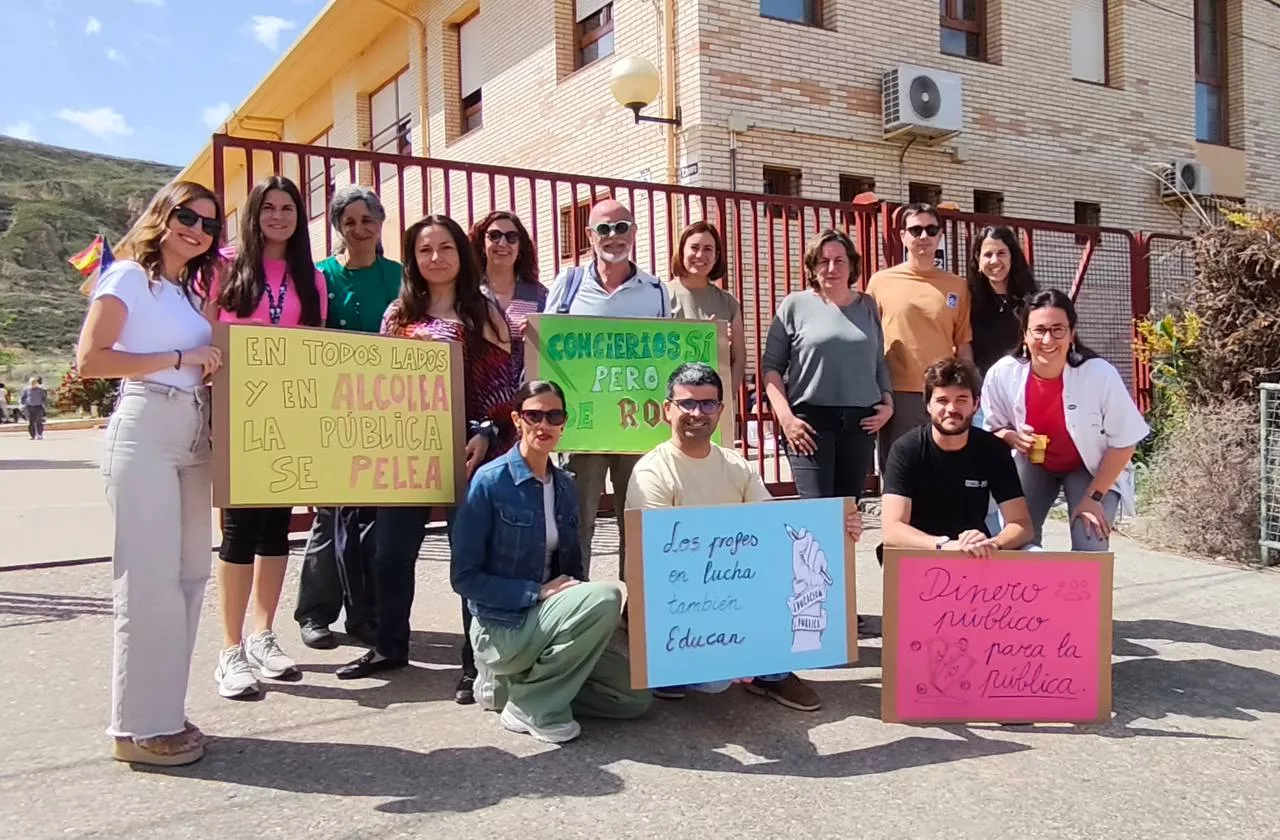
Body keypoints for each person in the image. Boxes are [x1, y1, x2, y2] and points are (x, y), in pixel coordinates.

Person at [337, 214, 518, 707]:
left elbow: (504, 385)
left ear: (462, 254)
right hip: (407, 451)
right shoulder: (397, 314)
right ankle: (389, 646)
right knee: (390, 553)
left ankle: (473, 661)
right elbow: (378, 382)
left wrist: (485, 432)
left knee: (468, 556)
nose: (435, 258)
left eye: (445, 248)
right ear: (412, 259)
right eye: (424, 250)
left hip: (468, 452)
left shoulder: (484, 312)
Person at [74, 180, 226, 766]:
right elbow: (92, 359)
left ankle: (162, 711)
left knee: (189, 576)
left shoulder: (187, 293)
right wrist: (182, 358)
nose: (197, 230)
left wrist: (205, 366)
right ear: (163, 215)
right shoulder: (128, 277)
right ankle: (136, 729)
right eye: (187, 216)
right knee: (148, 580)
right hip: (146, 424)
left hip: (193, 428)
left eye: (210, 224)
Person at [625, 363, 865, 711]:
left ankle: (770, 673)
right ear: (667, 410)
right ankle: (670, 665)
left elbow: (773, 529)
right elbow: (657, 566)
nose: (697, 413)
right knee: (716, 681)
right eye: (687, 404)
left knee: (794, 571)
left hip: (729, 590)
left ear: (720, 410)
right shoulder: (652, 472)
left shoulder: (736, 465)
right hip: (680, 602)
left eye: (708, 404)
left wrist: (838, 530)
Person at [452, 379, 652, 743]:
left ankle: (514, 688)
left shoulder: (564, 485)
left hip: (547, 622)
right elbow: (464, 578)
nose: (544, 425)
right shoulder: (490, 482)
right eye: (534, 415)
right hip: (503, 626)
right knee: (607, 597)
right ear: (517, 419)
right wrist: (535, 592)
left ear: (564, 423)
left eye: (554, 416)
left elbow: (571, 571)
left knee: (633, 699)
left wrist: (585, 632)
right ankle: (532, 707)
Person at [207, 175, 328, 699]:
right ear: (253, 214)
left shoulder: (311, 277)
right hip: (239, 414)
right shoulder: (223, 265)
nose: (278, 217)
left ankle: (262, 635)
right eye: (269, 208)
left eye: (288, 208)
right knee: (239, 530)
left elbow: (317, 346)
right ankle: (230, 649)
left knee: (277, 530)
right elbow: (207, 333)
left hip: (289, 414)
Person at [294, 186, 401, 651]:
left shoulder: (399, 276)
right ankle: (315, 613)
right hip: (332, 411)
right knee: (330, 514)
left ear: (380, 223)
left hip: (386, 412)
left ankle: (365, 614)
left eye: (367, 220)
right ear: (338, 226)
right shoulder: (320, 276)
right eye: (349, 221)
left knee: (373, 519)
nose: (359, 229)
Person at [545, 199, 673, 579]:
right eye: (604, 229)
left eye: (621, 227)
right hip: (583, 429)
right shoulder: (568, 286)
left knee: (635, 521)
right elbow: (547, 349)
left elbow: (668, 357)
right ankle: (578, 600)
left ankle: (634, 606)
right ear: (589, 236)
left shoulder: (655, 290)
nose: (613, 236)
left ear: (634, 232)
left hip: (637, 430)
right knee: (577, 521)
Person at [981, 289, 1150, 551]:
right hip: (1033, 464)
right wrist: (1012, 437)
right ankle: (1032, 577)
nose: (1048, 340)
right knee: (1015, 541)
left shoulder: (1099, 374)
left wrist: (1094, 497)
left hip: (1090, 469)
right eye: (1039, 330)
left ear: (1072, 334)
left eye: (1058, 330)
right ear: (1025, 335)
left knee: (1090, 544)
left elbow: (1125, 442)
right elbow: (991, 431)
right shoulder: (1002, 374)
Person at [762, 229, 893, 505]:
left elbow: (878, 360)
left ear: (852, 265)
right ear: (812, 266)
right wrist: (786, 419)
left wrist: (888, 403)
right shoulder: (794, 306)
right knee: (818, 513)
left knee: (847, 513)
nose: (831, 268)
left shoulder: (868, 305)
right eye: (823, 261)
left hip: (860, 424)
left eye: (839, 260)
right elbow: (771, 368)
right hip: (810, 424)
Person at [880, 358, 1034, 557]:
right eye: (942, 401)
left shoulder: (993, 450)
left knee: (1034, 552)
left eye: (961, 400)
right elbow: (892, 530)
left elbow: (1021, 525)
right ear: (928, 405)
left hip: (975, 554)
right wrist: (943, 545)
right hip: (920, 553)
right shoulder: (906, 450)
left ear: (975, 404)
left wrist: (993, 544)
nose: (952, 409)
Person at [867, 203, 973, 470]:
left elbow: (963, 342)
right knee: (899, 473)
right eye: (916, 230)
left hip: (943, 393)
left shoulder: (957, 285)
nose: (924, 236)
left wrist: (968, 388)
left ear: (940, 236)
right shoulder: (881, 282)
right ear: (903, 236)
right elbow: (868, 341)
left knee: (945, 472)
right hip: (897, 395)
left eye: (931, 230)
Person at [668, 221, 747, 405]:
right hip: (674, 404)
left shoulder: (729, 303)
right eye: (694, 247)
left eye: (708, 249)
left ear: (716, 256)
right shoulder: (662, 296)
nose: (700, 255)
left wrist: (725, 398)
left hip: (713, 407)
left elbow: (739, 359)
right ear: (681, 250)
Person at [967, 226, 1038, 378]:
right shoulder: (967, 299)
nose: (995, 260)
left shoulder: (1032, 301)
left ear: (1012, 257)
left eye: (1001, 253)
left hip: (1022, 383)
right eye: (988, 254)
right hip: (982, 386)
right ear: (978, 259)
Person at [470, 210, 547, 339]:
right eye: (494, 236)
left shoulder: (540, 296)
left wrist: (540, 334)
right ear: (482, 244)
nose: (502, 243)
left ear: (520, 247)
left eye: (511, 237)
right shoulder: (468, 292)